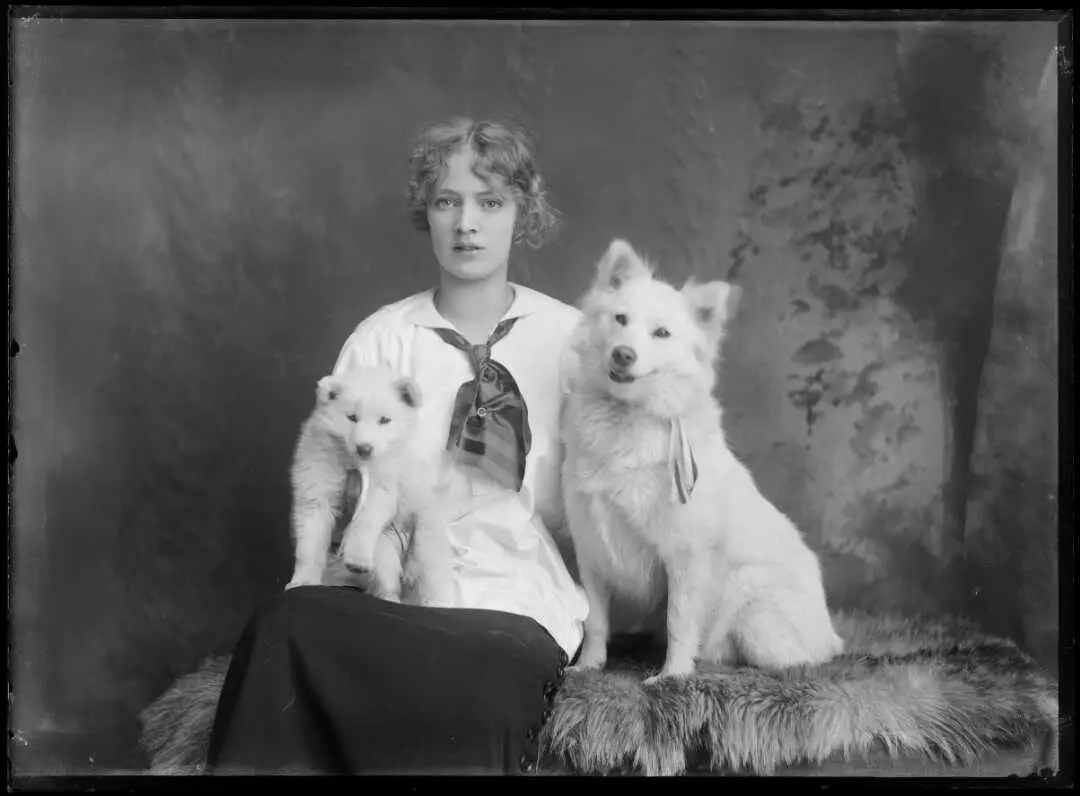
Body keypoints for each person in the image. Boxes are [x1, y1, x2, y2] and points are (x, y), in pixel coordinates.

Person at [205, 117, 591, 776]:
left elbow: (594, 506)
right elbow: (330, 482)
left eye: (490, 202)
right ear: (427, 213)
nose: (466, 223)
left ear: (521, 212)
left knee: (474, 676)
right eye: (448, 202)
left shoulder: (573, 339)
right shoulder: (381, 340)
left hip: (512, 596)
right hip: (388, 589)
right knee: (281, 626)